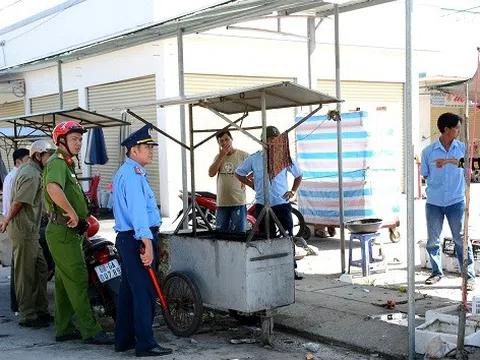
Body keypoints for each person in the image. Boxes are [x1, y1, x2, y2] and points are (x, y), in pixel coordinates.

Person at [43, 121, 113, 344]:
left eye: (81, 139)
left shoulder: (67, 163)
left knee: (65, 283)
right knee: (79, 280)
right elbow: (52, 188)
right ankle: (90, 330)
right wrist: (72, 212)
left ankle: (63, 328)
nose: (79, 143)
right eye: (74, 139)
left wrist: (78, 221)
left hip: (68, 231)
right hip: (63, 231)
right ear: (61, 141)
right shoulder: (57, 163)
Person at [112, 123, 172, 357]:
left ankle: (124, 339)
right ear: (133, 151)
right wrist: (146, 242)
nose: (151, 151)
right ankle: (145, 344)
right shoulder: (133, 174)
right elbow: (137, 212)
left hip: (128, 239)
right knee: (145, 292)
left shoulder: (126, 172)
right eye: (146, 147)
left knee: (129, 292)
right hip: (137, 239)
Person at [235, 125, 303, 279]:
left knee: (287, 237)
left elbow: (298, 175)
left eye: (275, 139)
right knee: (266, 237)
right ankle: (269, 270)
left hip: (281, 204)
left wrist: (292, 191)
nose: (272, 142)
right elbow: (239, 173)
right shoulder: (254, 158)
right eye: (269, 139)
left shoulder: (284, 158)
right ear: (262, 141)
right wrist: (251, 184)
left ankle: (291, 269)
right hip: (261, 204)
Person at [0, 142, 54, 327]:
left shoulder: (34, 171)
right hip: (23, 229)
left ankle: (40, 309)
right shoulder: (31, 174)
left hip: (30, 229)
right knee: (25, 273)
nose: (50, 159)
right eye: (48, 155)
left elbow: (37, 202)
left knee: (41, 268)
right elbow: (18, 203)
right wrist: (6, 220)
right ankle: (27, 315)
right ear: (38, 156)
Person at [420, 112, 476, 290]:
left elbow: (470, 167)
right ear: (447, 129)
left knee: (461, 239)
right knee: (433, 240)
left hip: (456, 202)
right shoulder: (428, 152)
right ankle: (436, 273)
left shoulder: (462, 148)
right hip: (434, 203)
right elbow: (425, 174)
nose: (459, 131)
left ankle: (468, 277)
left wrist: (449, 161)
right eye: (457, 128)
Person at [2, 148, 29, 314]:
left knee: (18, 266)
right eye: (27, 159)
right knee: (19, 268)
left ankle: (19, 304)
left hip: (12, 222)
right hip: (16, 223)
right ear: (19, 161)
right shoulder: (16, 176)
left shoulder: (12, 176)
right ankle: (18, 305)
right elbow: (16, 203)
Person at [208, 130, 249, 232]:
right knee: (220, 235)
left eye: (226, 139)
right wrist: (221, 156)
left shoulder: (243, 155)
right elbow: (211, 173)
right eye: (221, 141)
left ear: (232, 140)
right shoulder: (218, 157)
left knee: (239, 235)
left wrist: (246, 180)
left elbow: (256, 169)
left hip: (238, 202)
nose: (224, 143)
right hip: (222, 203)